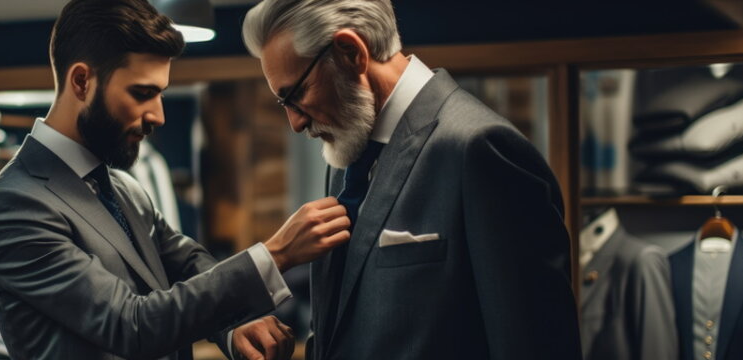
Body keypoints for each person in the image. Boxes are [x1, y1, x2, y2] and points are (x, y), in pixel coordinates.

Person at [0, 0, 352, 359]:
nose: (158, 116)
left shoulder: (124, 189)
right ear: (81, 81)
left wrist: (233, 326)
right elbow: (131, 325)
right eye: (143, 93)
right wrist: (276, 254)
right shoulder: (15, 206)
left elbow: (189, 265)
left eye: (160, 94)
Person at [242, 1, 582, 359]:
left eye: (296, 94)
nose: (296, 123)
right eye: (283, 103)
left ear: (350, 53)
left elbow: (536, 345)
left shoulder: (480, 148)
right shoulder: (346, 153)